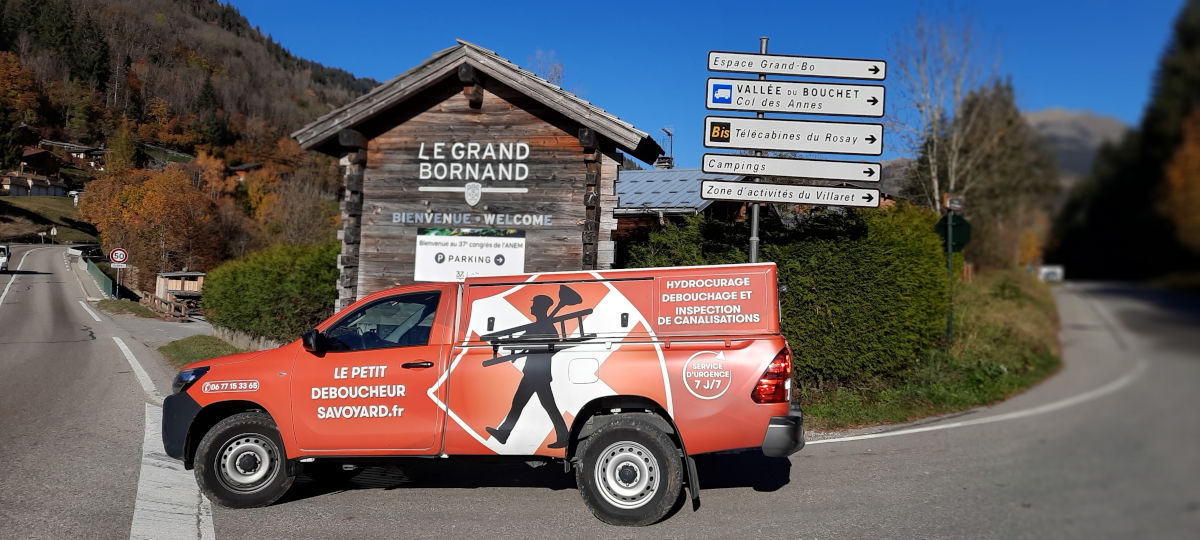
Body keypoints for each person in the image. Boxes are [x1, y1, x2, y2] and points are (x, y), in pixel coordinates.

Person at [486, 294, 570, 448]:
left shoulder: (546, 326)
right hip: (535, 372)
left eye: (534, 305)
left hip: (537, 373)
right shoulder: (538, 326)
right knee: (536, 405)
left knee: (527, 404)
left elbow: (554, 347)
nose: (531, 307)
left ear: (539, 308)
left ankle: (504, 433)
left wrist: (534, 347)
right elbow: (520, 339)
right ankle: (505, 433)